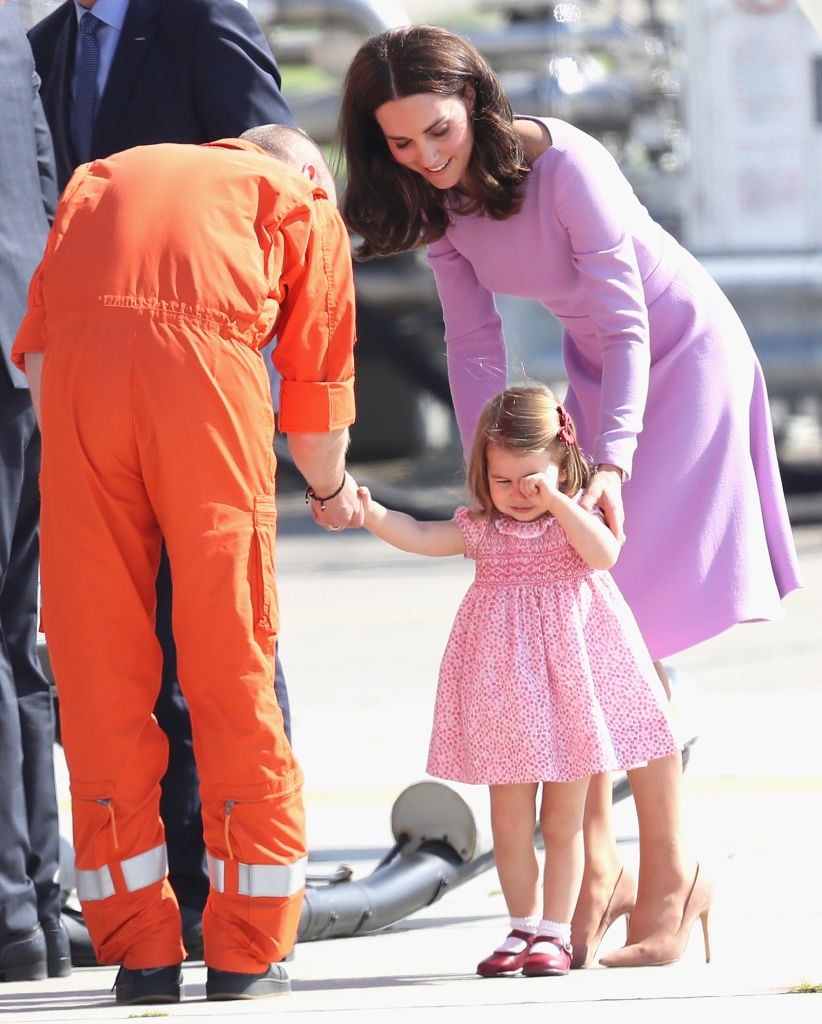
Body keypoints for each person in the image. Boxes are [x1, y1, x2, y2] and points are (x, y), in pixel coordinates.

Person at [337, 24, 803, 968]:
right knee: (583, 629)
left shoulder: (567, 167)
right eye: (399, 143)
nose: (425, 158)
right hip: (596, 381)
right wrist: (486, 482)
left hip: (678, 361)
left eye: (437, 130)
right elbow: (472, 348)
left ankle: (665, 882)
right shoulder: (441, 207)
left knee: (618, 627)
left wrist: (617, 464)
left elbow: (631, 323)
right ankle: (601, 871)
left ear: (473, 100)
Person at [11, 123, 362, 1004]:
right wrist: (328, 492)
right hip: (203, 384)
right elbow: (316, 409)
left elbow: (43, 355)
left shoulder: (100, 178)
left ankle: (139, 951)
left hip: (81, 397)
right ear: (307, 168)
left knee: (100, 674)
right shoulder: (297, 198)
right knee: (229, 656)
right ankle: (247, 951)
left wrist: (93, 479)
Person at [27, 0, 297, 960]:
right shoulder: (47, 45)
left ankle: (232, 902)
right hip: (84, 373)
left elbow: (275, 165)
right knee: (110, 662)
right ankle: (157, 912)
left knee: (220, 653)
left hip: (199, 377)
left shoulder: (196, 15)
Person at [358, 384, 688, 977]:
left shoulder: (573, 522)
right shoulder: (484, 529)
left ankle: (556, 934)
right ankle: (521, 926)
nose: (517, 496)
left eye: (532, 479)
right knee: (509, 824)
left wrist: (559, 501)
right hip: (503, 694)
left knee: (563, 823)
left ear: (562, 467)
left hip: (571, 695)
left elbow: (605, 555)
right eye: (503, 481)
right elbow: (423, 534)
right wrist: (371, 514)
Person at [0, 1, 69, 985]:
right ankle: (35, 913)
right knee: (17, 636)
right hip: (29, 349)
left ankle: (18, 913)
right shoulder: (20, 31)